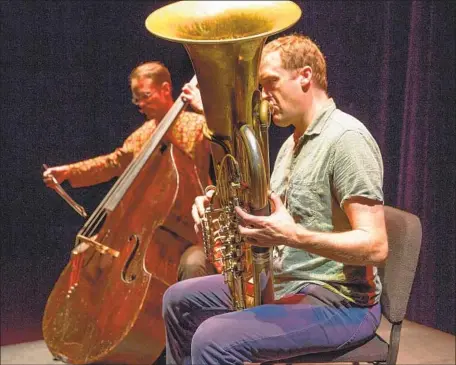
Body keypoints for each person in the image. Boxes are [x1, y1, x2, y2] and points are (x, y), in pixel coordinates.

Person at [162, 34, 388, 364]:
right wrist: (217, 204)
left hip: (340, 301)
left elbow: (376, 245)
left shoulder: (347, 139)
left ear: (306, 76)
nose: (263, 98)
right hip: (287, 285)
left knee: (214, 338)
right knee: (177, 300)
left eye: (270, 83)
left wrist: (292, 235)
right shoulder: (290, 145)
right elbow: (271, 216)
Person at [43, 61, 216, 281]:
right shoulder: (141, 136)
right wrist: (68, 171)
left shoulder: (197, 125)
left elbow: (223, 139)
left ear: (165, 89)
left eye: (145, 95)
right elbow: (112, 163)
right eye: (137, 99)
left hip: (191, 229)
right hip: (149, 232)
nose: (140, 104)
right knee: (98, 263)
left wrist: (206, 109)